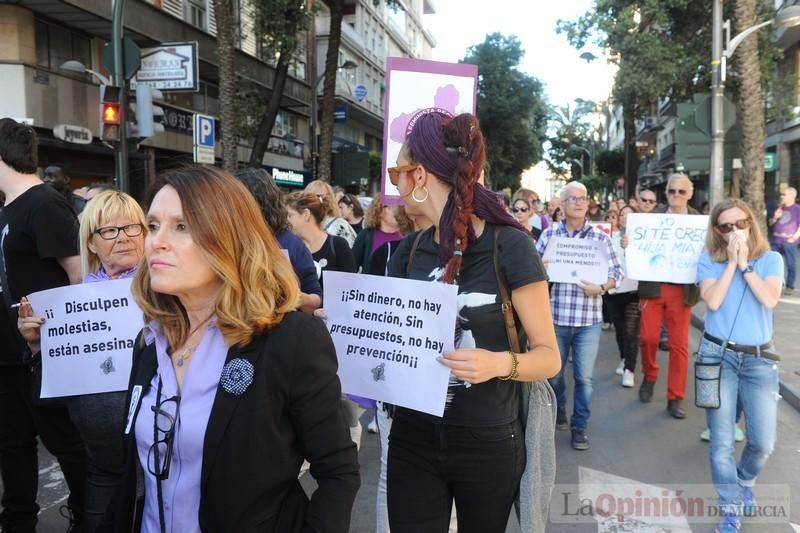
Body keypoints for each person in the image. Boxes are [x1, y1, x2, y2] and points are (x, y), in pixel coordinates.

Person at [103, 166, 360, 532]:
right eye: (154, 224)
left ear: (229, 239)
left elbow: (338, 472)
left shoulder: (290, 341)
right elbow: (131, 476)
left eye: (182, 226)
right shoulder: (149, 342)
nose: (157, 241)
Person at [385, 112, 560, 533]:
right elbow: (389, 343)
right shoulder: (406, 252)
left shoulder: (510, 247)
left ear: (420, 176)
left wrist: (498, 364)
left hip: (488, 444)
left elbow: (549, 358)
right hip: (411, 440)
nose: (394, 188)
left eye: (397, 174)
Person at [18, 190, 146, 532]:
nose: (123, 238)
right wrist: (37, 347)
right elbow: (54, 394)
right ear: (91, 243)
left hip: (157, 462)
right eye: (109, 231)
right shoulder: (71, 304)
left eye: (133, 227)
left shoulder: (167, 291)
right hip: (102, 462)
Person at [0, 118, 88, 533]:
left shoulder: (44, 203)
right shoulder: (8, 208)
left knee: (65, 444)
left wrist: (64, 344)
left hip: (42, 352)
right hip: (7, 352)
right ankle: (18, 522)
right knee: (12, 445)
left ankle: (89, 515)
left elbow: (78, 276)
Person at [696, 199, 783, 533]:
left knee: (763, 442)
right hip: (716, 357)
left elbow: (770, 299)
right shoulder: (707, 260)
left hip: (759, 360)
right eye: (725, 226)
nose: (734, 231)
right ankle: (729, 508)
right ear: (716, 232)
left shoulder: (771, 259)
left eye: (740, 224)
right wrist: (731, 264)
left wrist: (746, 264)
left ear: (751, 224)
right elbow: (714, 301)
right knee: (721, 444)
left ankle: (745, 478)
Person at [537, 181, 622, 450]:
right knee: (554, 375)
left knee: (584, 378)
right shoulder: (550, 237)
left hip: (588, 321)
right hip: (556, 318)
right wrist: (541, 268)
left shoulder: (600, 239)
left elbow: (617, 274)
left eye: (583, 198)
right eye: (572, 198)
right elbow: (530, 272)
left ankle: (579, 427)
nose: (579, 202)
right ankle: (560, 408)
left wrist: (601, 287)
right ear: (562, 205)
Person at [637, 173, 700, 419]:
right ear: (666, 193)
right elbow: (638, 245)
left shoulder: (699, 222)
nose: (676, 196)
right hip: (654, 287)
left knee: (679, 345)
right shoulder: (652, 218)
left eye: (681, 192)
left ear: (690, 194)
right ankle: (650, 375)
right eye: (672, 191)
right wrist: (627, 243)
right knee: (648, 338)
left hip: (681, 289)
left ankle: (676, 396)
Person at [235, 168, 322, 313]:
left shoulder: (290, 243)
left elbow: (315, 296)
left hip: (278, 327)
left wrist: (300, 298)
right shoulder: (228, 239)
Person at [608, 205, 640, 388]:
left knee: (631, 332)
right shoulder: (609, 238)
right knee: (620, 331)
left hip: (634, 292)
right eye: (622, 215)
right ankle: (623, 358)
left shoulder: (642, 241)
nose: (625, 218)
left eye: (630, 215)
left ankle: (630, 370)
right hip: (613, 292)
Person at [352, 194, 407, 273]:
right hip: (371, 284)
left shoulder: (408, 235)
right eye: (391, 206)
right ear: (379, 210)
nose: (397, 211)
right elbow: (352, 266)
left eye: (400, 207)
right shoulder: (366, 235)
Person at [767, 186, 800, 295]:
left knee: (790, 264)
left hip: (789, 241)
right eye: (781, 194)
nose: (781, 196)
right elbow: (771, 223)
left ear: (791, 196)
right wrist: (775, 217)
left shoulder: (797, 209)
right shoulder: (779, 208)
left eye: (784, 194)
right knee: (773, 264)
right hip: (776, 240)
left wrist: (794, 237)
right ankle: (776, 284)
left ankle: (790, 286)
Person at [305, 180, 357, 246]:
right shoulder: (300, 223)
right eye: (311, 196)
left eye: (320, 196)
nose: (317, 200)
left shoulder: (340, 225)